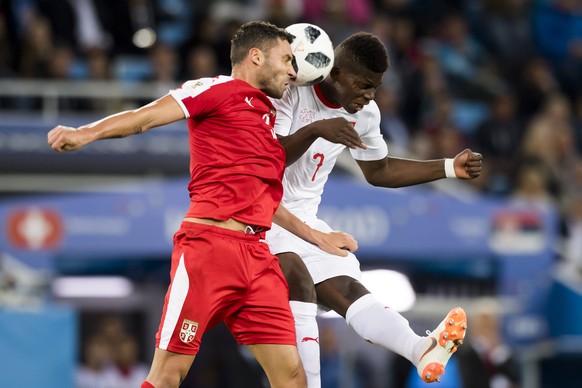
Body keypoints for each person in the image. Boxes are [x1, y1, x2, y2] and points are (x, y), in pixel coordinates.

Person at [47, 21, 357, 388]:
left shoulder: (268, 117)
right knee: (167, 375)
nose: (294, 71)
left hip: (257, 257)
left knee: (291, 376)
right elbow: (144, 118)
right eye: (287, 60)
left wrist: (318, 238)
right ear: (256, 57)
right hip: (209, 252)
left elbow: (263, 200)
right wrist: (85, 133)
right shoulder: (214, 89)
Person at [266, 32, 483, 386]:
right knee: (297, 275)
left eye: (376, 87)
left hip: (304, 221)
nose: (369, 96)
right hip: (261, 213)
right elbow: (267, 160)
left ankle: (420, 348)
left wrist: (448, 167)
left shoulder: (364, 113)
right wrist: (318, 130)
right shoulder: (293, 90)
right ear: (335, 73)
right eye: (363, 85)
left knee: (348, 289)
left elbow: (378, 170)